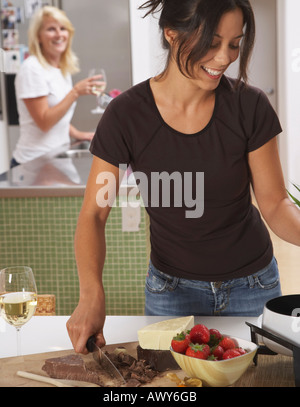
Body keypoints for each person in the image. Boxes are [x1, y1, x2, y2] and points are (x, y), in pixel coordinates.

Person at [66, 0, 300, 354]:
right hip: (170, 294)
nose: (224, 58)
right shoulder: (126, 116)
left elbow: (275, 203)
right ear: (172, 34)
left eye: (235, 44)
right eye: (212, 42)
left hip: (253, 286)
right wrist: (90, 295)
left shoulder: (249, 106)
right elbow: (95, 213)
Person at [11, 6, 103, 167]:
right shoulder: (32, 69)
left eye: (63, 28)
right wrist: (75, 92)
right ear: (38, 36)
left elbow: (59, 117)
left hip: (55, 157)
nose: (59, 34)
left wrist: (79, 134)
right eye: (51, 29)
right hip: (33, 162)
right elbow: (45, 122)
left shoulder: (61, 69)